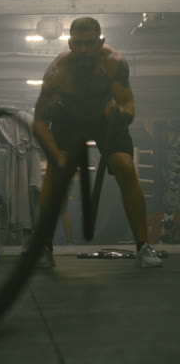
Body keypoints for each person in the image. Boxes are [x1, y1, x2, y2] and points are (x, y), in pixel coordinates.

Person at [33, 17, 162, 268]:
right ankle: (44, 248)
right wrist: (56, 156)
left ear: (100, 41)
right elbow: (39, 122)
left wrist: (119, 112)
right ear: (70, 43)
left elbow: (129, 108)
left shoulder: (114, 63)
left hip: (106, 119)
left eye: (89, 43)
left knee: (125, 166)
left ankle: (143, 246)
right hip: (68, 119)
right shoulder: (58, 71)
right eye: (78, 43)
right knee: (55, 176)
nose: (83, 49)